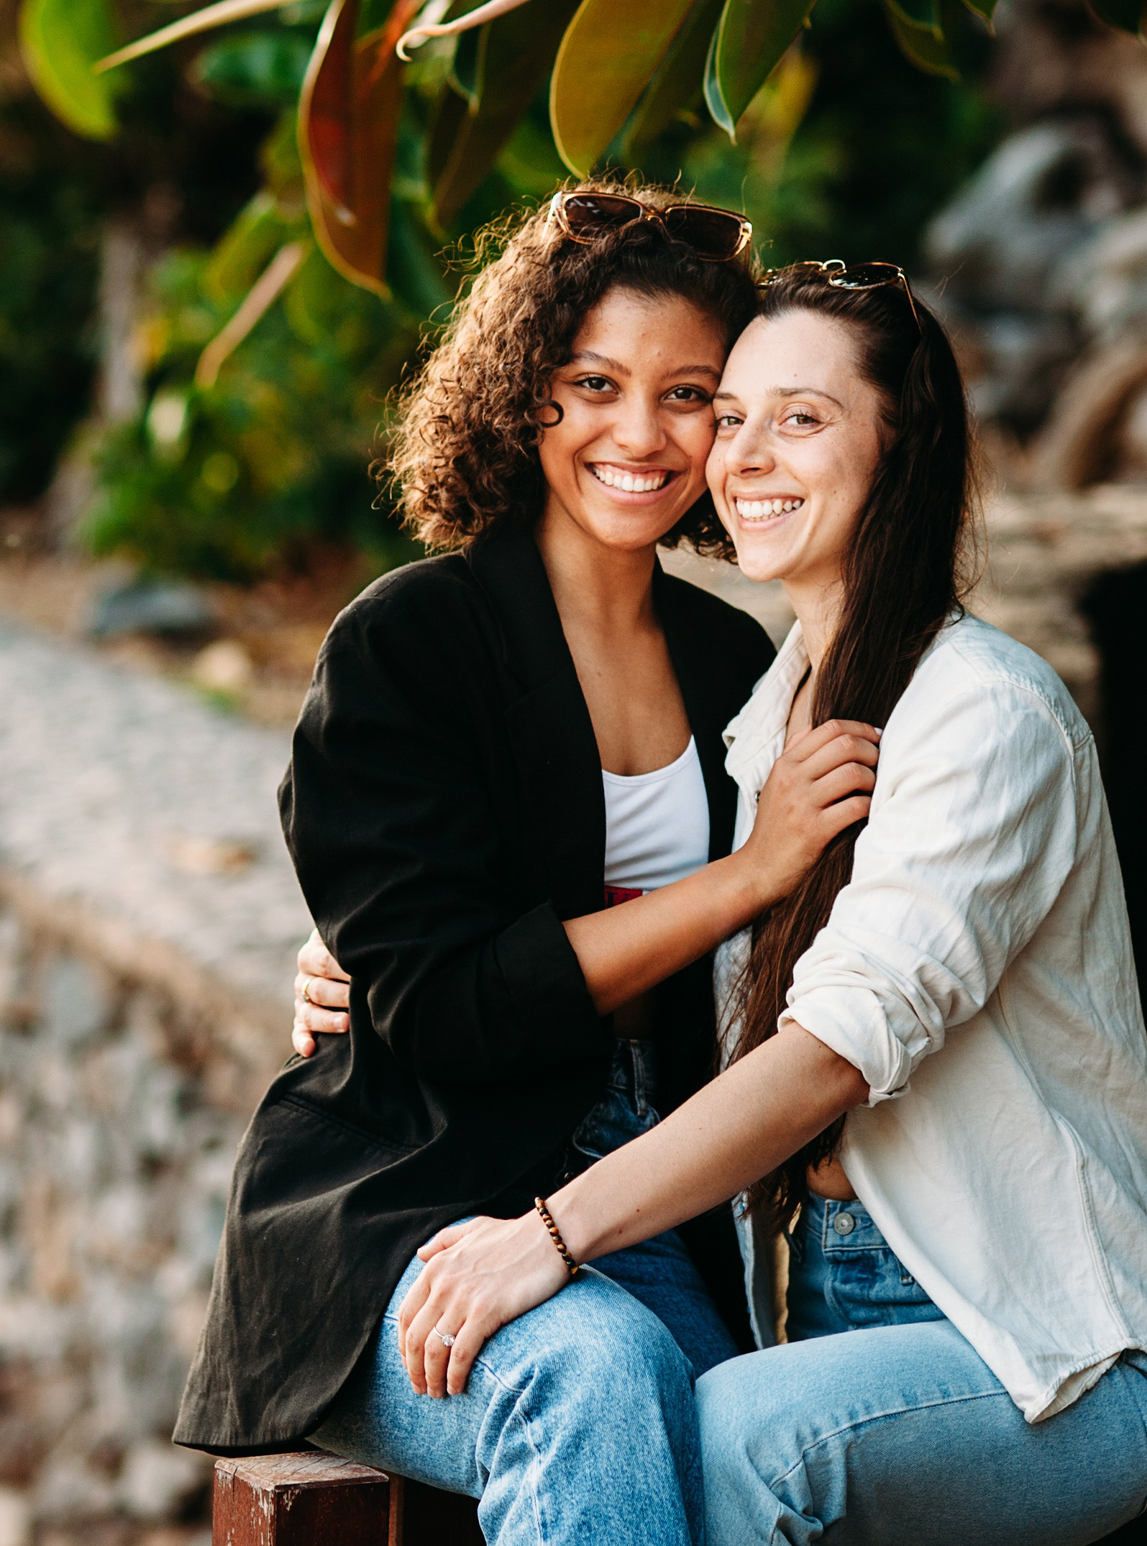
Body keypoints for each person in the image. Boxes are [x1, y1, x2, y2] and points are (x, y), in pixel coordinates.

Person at [297, 260, 1147, 1544]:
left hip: (1042, 1333)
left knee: (729, 1431)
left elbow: (830, 1051)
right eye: (735, 415)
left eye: (802, 416)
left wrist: (549, 1235)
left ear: (903, 444)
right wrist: (372, 950)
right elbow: (570, 916)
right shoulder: (761, 715)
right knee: (686, 1403)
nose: (739, 451)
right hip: (824, 1318)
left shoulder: (977, 712)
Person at [171, 184, 885, 1546]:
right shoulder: (408, 643)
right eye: (592, 383)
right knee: (594, 1370)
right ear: (524, 395)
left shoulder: (743, 663)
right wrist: (744, 872)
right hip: (406, 1196)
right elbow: (445, 1003)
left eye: (689, 394)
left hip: (657, 1185)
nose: (640, 432)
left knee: (743, 1422)